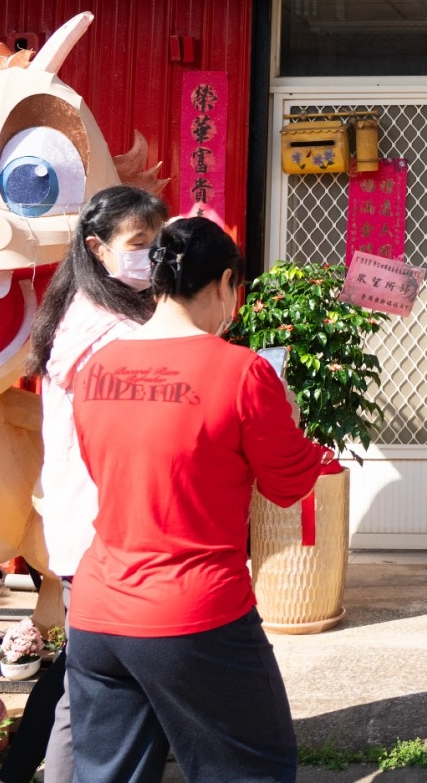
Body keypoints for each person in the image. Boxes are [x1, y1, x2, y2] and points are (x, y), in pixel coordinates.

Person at [67, 217, 334, 783]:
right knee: (249, 770)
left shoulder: (97, 368)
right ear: (225, 283)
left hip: (96, 612)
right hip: (193, 612)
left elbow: (104, 468)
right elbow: (287, 484)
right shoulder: (242, 371)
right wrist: (291, 416)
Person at [0, 185, 168, 783]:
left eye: (158, 243)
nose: (151, 255)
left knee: (90, 687)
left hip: (95, 534)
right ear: (97, 248)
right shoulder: (105, 330)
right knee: (96, 695)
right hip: (106, 535)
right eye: (138, 244)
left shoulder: (92, 313)